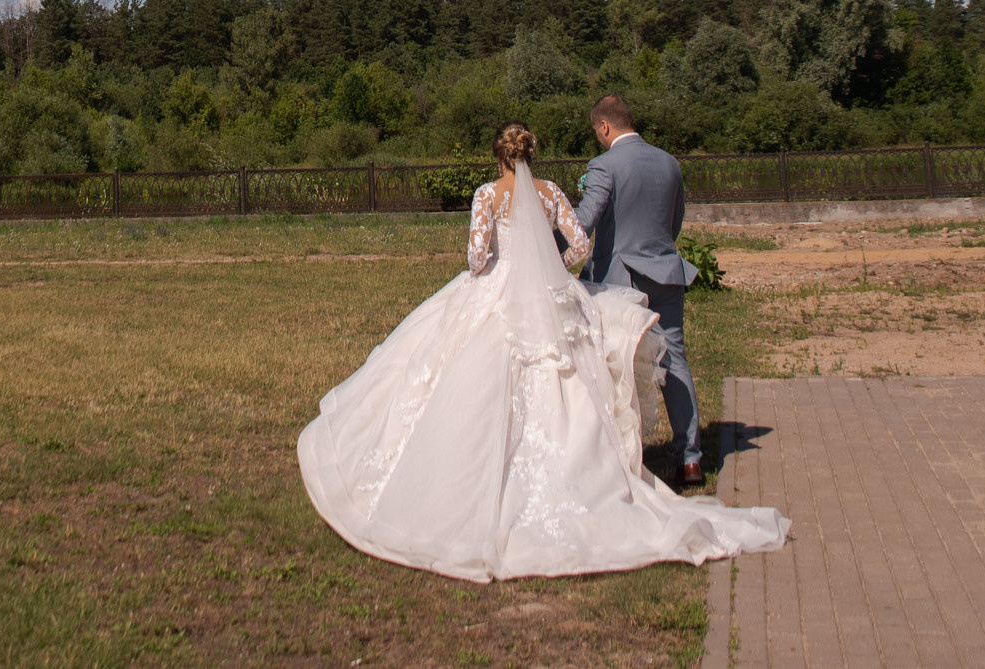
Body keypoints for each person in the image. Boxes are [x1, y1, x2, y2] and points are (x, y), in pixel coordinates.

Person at [296, 122, 787, 582]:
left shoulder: (487, 194)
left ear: (498, 157)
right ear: (532, 154)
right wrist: (555, 270)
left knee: (462, 370)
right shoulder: (551, 193)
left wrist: (496, 260)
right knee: (567, 379)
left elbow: (475, 256)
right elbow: (577, 247)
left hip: (499, 291)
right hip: (553, 298)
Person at [575, 92, 705, 486]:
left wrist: (544, 241)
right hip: (666, 272)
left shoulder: (604, 165)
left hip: (619, 281)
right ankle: (691, 458)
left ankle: (619, 456)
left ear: (603, 126)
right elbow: (675, 220)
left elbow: (584, 222)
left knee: (614, 365)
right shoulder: (669, 163)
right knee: (674, 361)